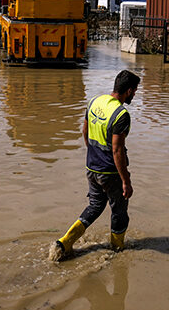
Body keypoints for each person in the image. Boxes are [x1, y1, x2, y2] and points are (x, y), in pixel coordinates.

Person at [50, 70, 140, 261]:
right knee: (119, 211)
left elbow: (84, 131)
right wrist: (126, 181)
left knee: (95, 206)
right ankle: (117, 250)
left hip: (91, 168)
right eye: (135, 91)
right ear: (129, 90)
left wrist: (93, 156)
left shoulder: (94, 102)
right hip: (111, 173)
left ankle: (64, 243)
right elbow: (117, 151)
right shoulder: (121, 114)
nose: (135, 95)